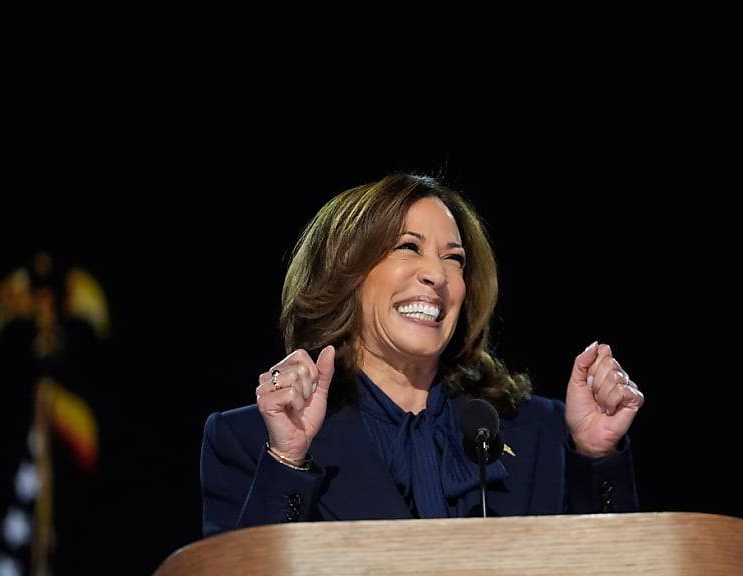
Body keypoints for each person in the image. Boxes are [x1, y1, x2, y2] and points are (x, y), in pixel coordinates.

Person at [200, 174, 644, 536]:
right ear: (346, 272)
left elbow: (619, 565)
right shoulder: (249, 440)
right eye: (408, 247)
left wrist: (596, 458)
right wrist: (288, 461)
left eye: (454, 259)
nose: (437, 275)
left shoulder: (540, 430)